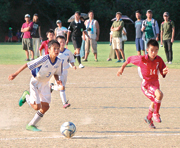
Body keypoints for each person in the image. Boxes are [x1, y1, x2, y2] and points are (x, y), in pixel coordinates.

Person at [8, 40, 63, 131]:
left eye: (58, 48)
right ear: (49, 50)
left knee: (46, 107)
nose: (57, 50)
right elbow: (27, 64)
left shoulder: (59, 61)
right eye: (54, 48)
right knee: (37, 107)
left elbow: (56, 73)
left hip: (45, 84)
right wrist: (15, 74)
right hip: (36, 82)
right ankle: (26, 96)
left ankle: (31, 125)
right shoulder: (44, 59)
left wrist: (58, 81)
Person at [117, 39, 169, 129]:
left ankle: (148, 118)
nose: (154, 52)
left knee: (155, 100)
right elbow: (129, 59)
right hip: (147, 84)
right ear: (147, 50)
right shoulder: (142, 59)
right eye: (152, 50)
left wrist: (164, 72)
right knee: (159, 95)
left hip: (156, 83)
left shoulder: (159, 60)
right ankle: (156, 114)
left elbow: (163, 72)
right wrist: (121, 68)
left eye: (156, 50)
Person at [51, 36, 76, 109]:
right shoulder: (55, 53)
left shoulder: (68, 52)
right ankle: (64, 103)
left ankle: (52, 87)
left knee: (62, 87)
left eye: (63, 42)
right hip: (58, 72)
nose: (62, 43)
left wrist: (73, 65)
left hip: (65, 71)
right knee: (62, 87)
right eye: (60, 42)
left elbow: (71, 60)